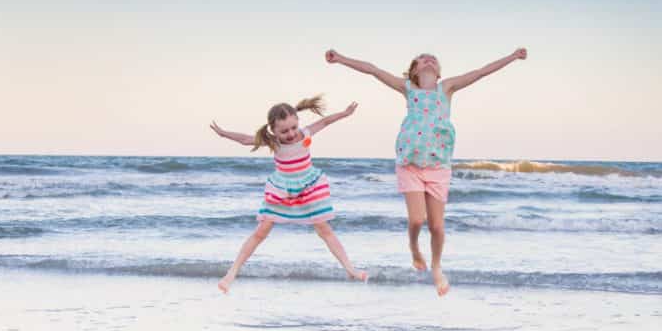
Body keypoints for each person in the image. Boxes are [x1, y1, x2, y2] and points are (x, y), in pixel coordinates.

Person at [326, 47, 529, 294]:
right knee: (416, 219)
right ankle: (413, 247)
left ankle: (436, 266)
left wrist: (512, 57)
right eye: (421, 59)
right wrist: (340, 59)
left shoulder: (447, 88)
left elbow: (481, 73)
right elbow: (373, 70)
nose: (428, 59)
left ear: (439, 71)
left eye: (433, 59)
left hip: (438, 166)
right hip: (409, 163)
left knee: (437, 226)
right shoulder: (408, 89)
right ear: (414, 71)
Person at [210, 96, 368, 292]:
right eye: (284, 131)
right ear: (273, 130)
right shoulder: (274, 142)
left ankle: (350, 269)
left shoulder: (306, 133)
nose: (291, 134)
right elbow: (245, 140)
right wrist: (223, 133)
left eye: (294, 127)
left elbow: (325, 121)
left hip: (309, 186)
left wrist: (344, 114)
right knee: (261, 232)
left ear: (297, 122)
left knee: (324, 230)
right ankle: (231, 273)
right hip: (283, 189)